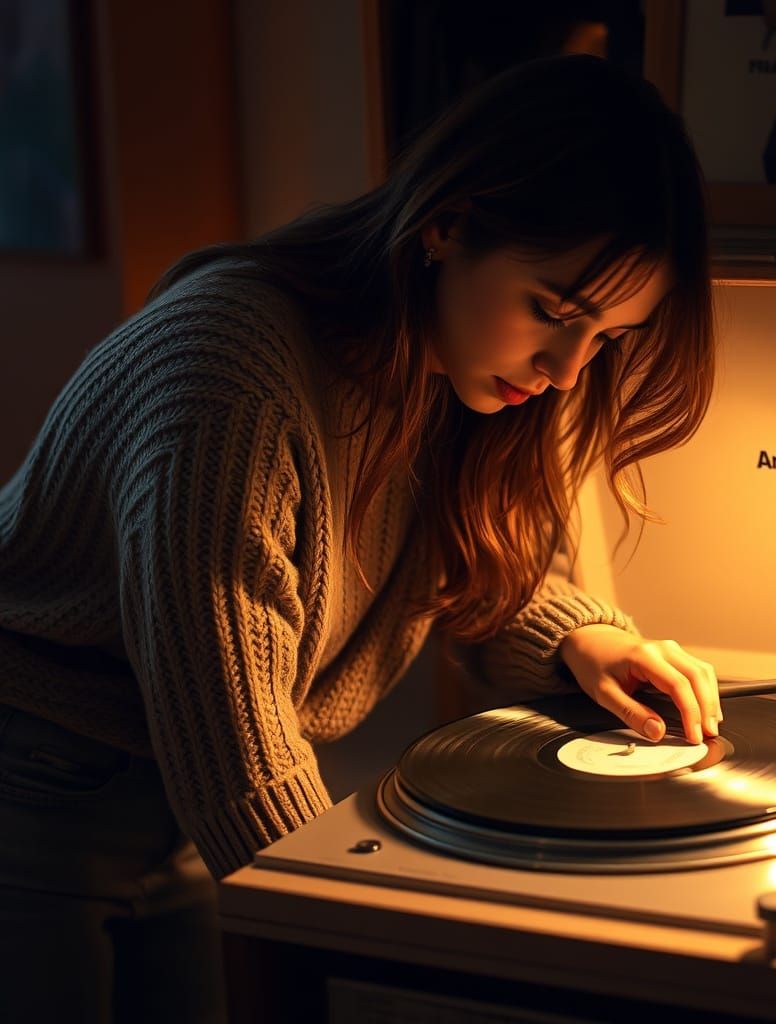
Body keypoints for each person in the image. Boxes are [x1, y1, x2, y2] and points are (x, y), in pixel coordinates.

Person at [0, 54, 721, 1022]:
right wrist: (405, 947)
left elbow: (471, 573)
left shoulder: (471, 371)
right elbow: (239, 754)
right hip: (29, 786)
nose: (564, 367)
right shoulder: (229, 376)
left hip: (163, 794)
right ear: (447, 222)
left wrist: (581, 638)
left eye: (606, 340)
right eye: (553, 311)